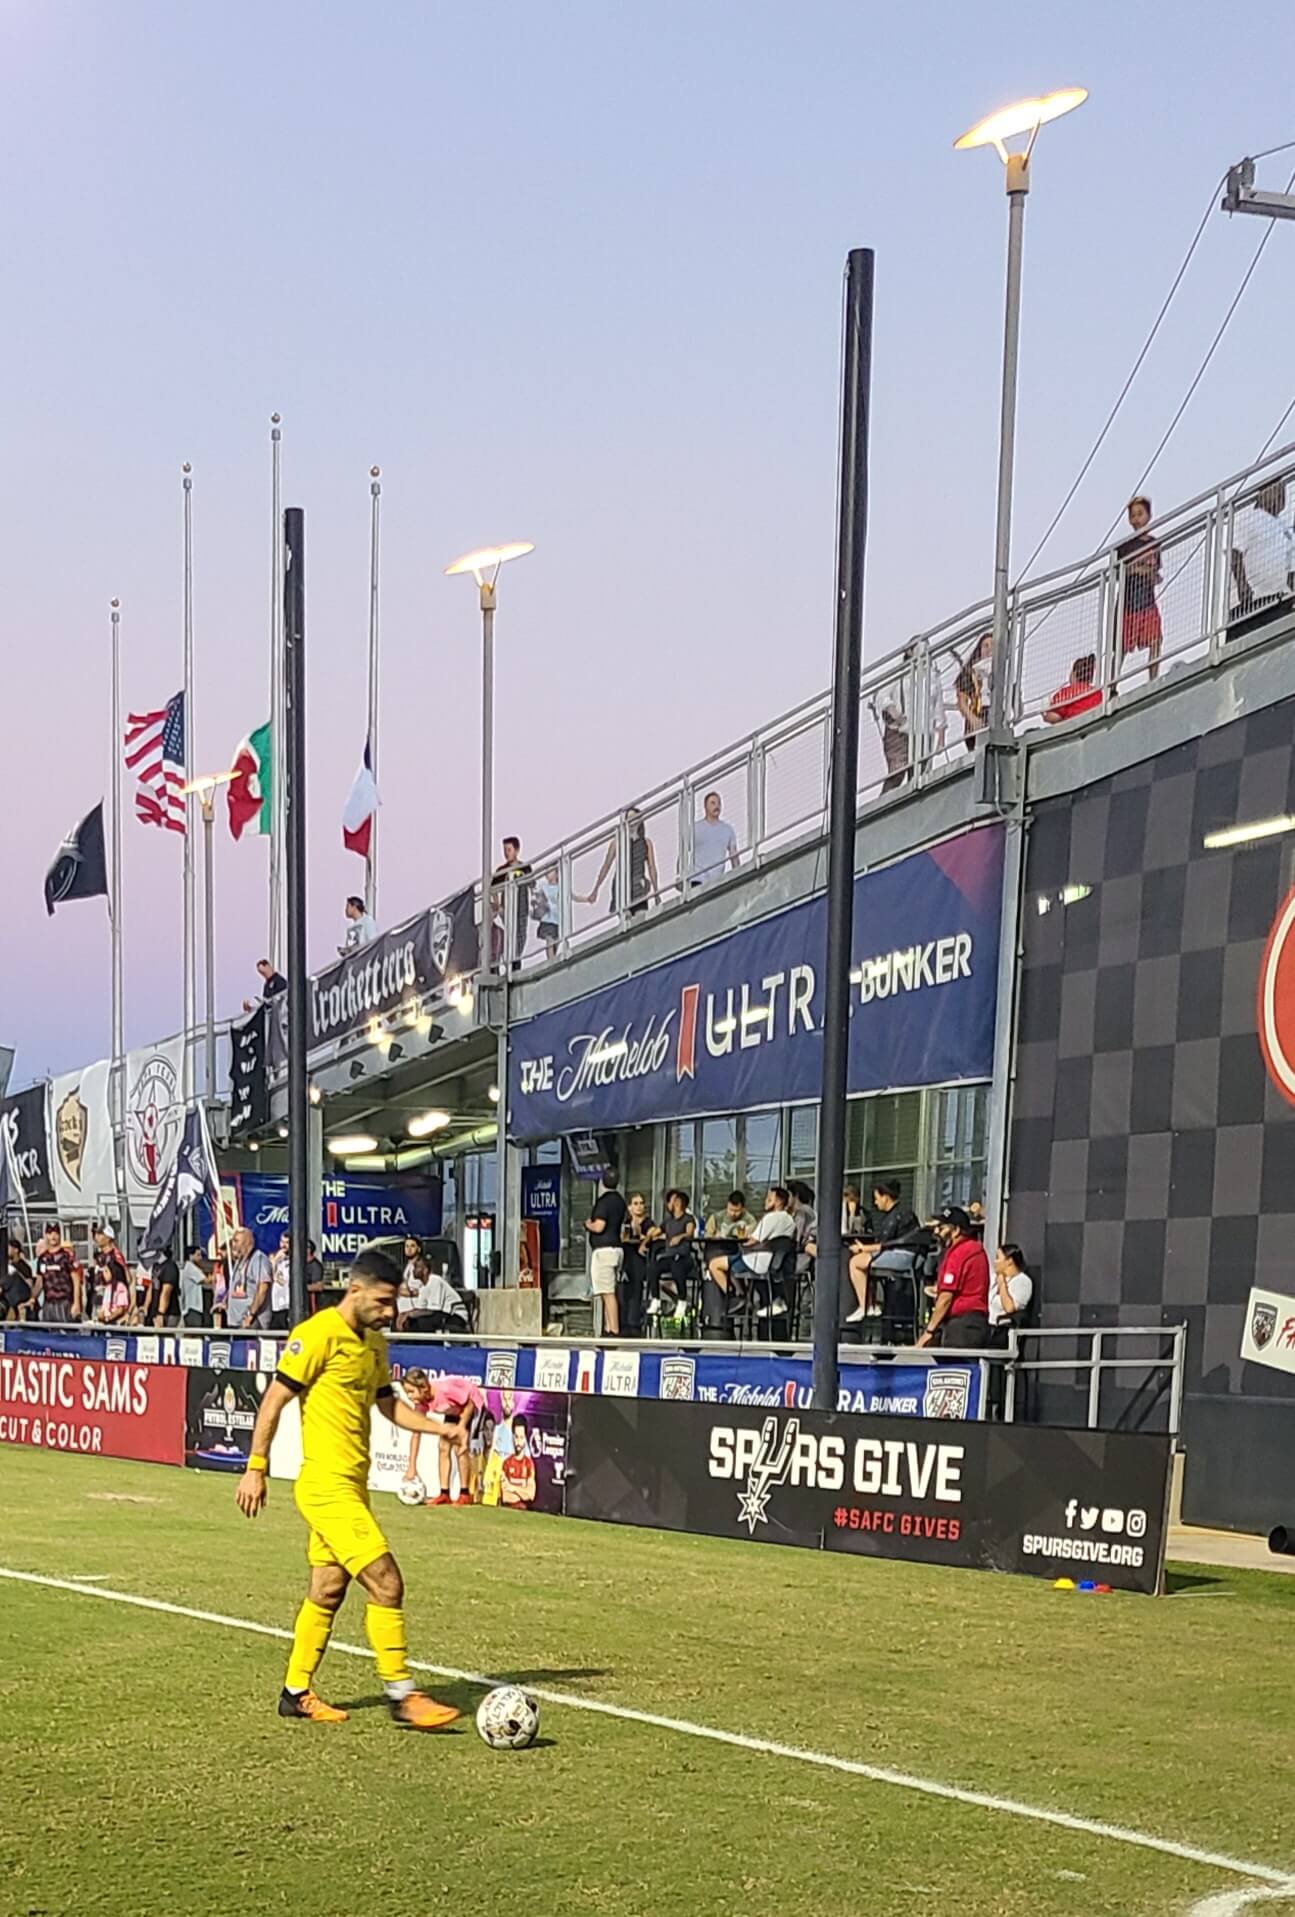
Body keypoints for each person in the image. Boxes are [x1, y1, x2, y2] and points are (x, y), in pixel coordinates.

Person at [236, 1251, 469, 1727]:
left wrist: (439, 1430)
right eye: (383, 1302)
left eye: (394, 1303)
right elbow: (274, 1401)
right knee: (387, 1581)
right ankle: (402, 1695)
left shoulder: (375, 1345)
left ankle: (295, 1692)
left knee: (327, 1589)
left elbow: (388, 1408)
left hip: (353, 1486)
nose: (389, 1312)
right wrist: (255, 1467)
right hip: (326, 1488)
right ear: (355, 1290)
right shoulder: (317, 1335)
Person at [707, 1186, 797, 1321]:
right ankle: (742, 1295)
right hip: (775, 1262)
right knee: (730, 1264)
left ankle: (736, 1298)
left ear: (778, 1202)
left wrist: (741, 1243)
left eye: (769, 1199)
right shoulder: (790, 1221)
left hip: (756, 1260)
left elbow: (753, 1240)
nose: (765, 1201)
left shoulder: (771, 1218)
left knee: (715, 1264)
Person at [843, 1179, 924, 1325]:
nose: (875, 1202)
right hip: (911, 1256)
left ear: (885, 1197)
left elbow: (885, 1244)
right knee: (866, 1262)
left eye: (876, 1198)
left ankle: (864, 1306)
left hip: (904, 1256)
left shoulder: (895, 1216)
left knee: (856, 1262)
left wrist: (863, 1248)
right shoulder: (904, 1212)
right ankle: (872, 1304)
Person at [917, 1204, 991, 1350]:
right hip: (972, 1323)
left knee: (955, 1369)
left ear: (956, 1230)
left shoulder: (960, 1252)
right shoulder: (973, 1250)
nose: (937, 1232)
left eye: (942, 1228)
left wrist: (929, 1331)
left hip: (962, 1326)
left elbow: (946, 1298)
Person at [404, 1370, 483, 1506]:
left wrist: (461, 1427)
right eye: (407, 1393)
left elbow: (469, 1402)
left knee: (460, 1447)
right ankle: (444, 1493)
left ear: (423, 1388)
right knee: (443, 1446)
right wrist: (411, 1467)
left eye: (411, 1392)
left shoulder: (444, 1390)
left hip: (471, 1406)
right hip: (453, 1410)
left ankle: (464, 1494)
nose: (409, 1396)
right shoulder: (421, 1402)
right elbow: (416, 1432)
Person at [1230, 478, 1294, 635]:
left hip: (1280, 599)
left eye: (1283, 492)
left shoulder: (1285, 528)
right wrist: (1242, 585)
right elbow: (1234, 552)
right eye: (1277, 490)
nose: (1281, 496)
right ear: (1263, 493)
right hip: (1253, 601)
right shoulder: (1249, 519)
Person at [580, 806, 660, 917]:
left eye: (635, 818)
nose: (632, 822)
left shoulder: (646, 843)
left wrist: (656, 892)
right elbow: (606, 866)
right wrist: (596, 889)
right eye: (629, 818)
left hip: (638, 887)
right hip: (622, 887)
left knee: (640, 917)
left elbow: (652, 868)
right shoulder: (617, 842)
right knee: (625, 919)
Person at [1117, 495, 1163, 679]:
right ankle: (1112, 686)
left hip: (1147, 601)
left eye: (1140, 514)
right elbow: (1122, 571)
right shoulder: (1124, 547)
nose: (1136, 518)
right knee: (1121, 647)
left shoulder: (1155, 543)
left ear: (1148, 516)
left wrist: (1149, 573)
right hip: (1129, 603)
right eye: (1133, 515)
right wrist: (1140, 569)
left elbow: (1155, 571)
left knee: (1156, 640)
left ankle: (1153, 678)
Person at [586, 1167, 627, 1336]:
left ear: (603, 1181)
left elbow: (599, 1226)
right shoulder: (620, 1201)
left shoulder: (603, 1202)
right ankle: (608, 1327)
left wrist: (587, 1224)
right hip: (617, 1250)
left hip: (604, 1252)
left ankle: (613, 1330)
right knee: (607, 1289)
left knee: (608, 1293)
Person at [644, 1189, 697, 1315]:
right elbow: (656, 1232)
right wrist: (646, 1240)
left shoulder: (688, 1219)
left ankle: (682, 1300)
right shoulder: (668, 1221)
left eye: (672, 1201)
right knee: (653, 1268)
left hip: (683, 1257)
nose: (669, 1204)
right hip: (669, 1256)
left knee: (677, 1267)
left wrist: (680, 1237)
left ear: (678, 1203)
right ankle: (656, 1299)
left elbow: (690, 1233)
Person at [491, 836, 532, 969]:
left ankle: (516, 963)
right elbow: (492, 888)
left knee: (521, 935)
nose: (506, 853)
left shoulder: (525, 867)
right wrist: (497, 903)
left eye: (509, 850)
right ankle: (512, 964)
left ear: (516, 850)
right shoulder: (501, 870)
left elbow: (533, 884)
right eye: (504, 850)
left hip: (522, 906)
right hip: (507, 907)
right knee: (511, 934)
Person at [619, 1190, 655, 1335]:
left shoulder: (647, 1222)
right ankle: (623, 1321)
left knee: (636, 1288)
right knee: (623, 1289)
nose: (639, 1207)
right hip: (626, 1257)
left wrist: (643, 1236)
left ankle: (634, 1323)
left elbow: (654, 1231)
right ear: (630, 1207)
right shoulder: (626, 1223)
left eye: (641, 1203)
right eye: (635, 1204)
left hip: (640, 1258)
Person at [690, 790, 739, 889]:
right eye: (712, 803)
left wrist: (738, 873)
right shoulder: (695, 828)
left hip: (717, 879)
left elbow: (734, 855)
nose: (717, 806)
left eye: (719, 803)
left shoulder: (727, 829)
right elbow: (683, 852)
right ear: (705, 807)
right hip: (697, 878)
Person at [32, 1223, 81, 1324]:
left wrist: (76, 1303)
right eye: (50, 1233)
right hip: (48, 1303)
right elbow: (39, 1282)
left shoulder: (67, 1256)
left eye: (56, 1233)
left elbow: (76, 1281)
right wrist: (32, 1298)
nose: (53, 1236)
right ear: (46, 1235)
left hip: (65, 1303)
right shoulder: (42, 1258)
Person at [226, 1227, 271, 1331]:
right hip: (236, 1322)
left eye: (236, 1241)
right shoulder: (239, 1261)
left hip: (252, 1322)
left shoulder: (258, 1259)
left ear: (247, 1242)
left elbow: (263, 1288)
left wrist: (251, 1314)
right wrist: (225, 1302)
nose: (233, 1245)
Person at [954, 632, 992, 751]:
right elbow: (962, 702)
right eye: (986, 646)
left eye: (993, 645)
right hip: (978, 714)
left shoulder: (1003, 668)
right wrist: (973, 720)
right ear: (979, 650)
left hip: (995, 714)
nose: (990, 649)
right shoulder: (970, 672)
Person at [990, 1242, 1034, 1341]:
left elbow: (1009, 1307)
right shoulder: (994, 1279)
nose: (995, 1262)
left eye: (998, 1258)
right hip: (990, 1329)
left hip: (1005, 1332)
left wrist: (1002, 1284)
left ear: (1009, 1261)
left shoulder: (1022, 1281)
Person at [1044, 654, 1103, 724]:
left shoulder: (1064, 694)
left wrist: (1045, 716)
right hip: (1092, 725)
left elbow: (1055, 717)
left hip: (1071, 727)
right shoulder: (1096, 692)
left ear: (1074, 673)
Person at [501, 1415, 537, 1508]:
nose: (518, 1442)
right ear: (512, 1436)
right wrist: (522, 1493)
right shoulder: (506, 1464)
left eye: (521, 1437)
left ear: (525, 1438)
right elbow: (506, 1496)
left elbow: (531, 1495)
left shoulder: (529, 1464)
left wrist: (512, 1488)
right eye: (516, 1437)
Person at [529, 866, 562, 960]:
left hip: (557, 919)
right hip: (547, 918)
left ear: (556, 873)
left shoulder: (560, 887)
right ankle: (550, 960)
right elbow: (537, 898)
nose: (547, 874)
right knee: (549, 940)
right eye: (547, 871)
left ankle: (553, 958)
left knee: (556, 941)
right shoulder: (544, 887)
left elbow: (570, 895)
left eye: (550, 871)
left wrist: (585, 899)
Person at [179, 1245, 211, 1327]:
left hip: (195, 1308)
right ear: (191, 1256)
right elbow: (206, 1280)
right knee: (194, 1333)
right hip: (193, 1308)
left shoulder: (193, 1267)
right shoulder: (191, 1268)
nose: (200, 1258)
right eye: (198, 1255)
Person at [3, 1237, 33, 1321]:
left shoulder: (24, 1267)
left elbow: (29, 1285)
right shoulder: (5, 1266)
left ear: (16, 1250)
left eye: (9, 1248)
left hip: (21, 1302)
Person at [267, 1232, 292, 1329]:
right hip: (276, 1302)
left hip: (288, 1302)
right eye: (282, 1242)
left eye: (287, 1243)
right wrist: (275, 1261)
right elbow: (270, 1276)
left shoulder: (295, 1259)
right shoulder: (274, 1257)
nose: (284, 1245)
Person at [151, 1247, 180, 1326]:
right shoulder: (156, 1266)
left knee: (165, 1337)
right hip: (155, 1312)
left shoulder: (170, 1267)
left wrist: (160, 1313)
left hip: (168, 1314)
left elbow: (166, 1292)